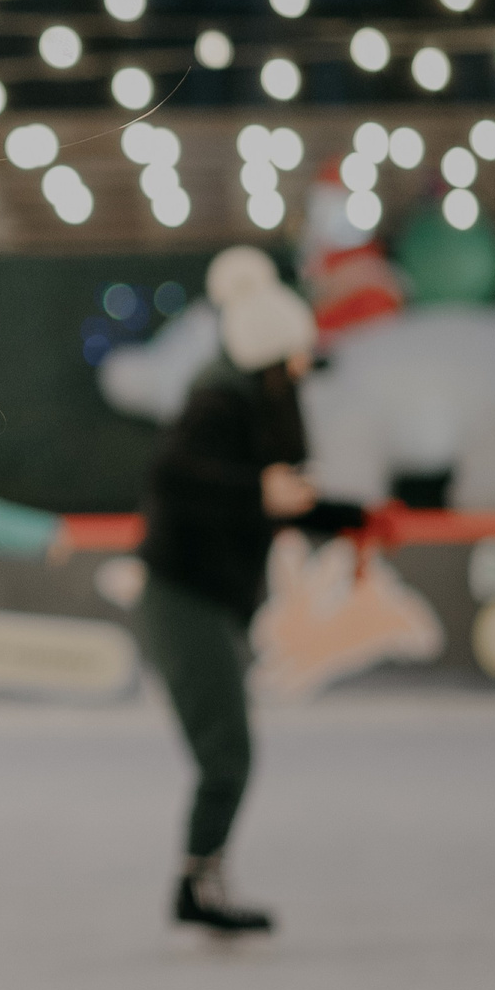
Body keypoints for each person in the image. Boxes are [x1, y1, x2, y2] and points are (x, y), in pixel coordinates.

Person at [136, 247, 359, 936]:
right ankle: (197, 883)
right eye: (295, 356)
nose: (304, 369)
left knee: (228, 752)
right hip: (184, 599)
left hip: (210, 599)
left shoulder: (250, 396)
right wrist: (261, 489)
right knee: (227, 752)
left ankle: (202, 877)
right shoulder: (219, 398)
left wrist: (352, 517)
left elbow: (271, 496)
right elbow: (175, 479)